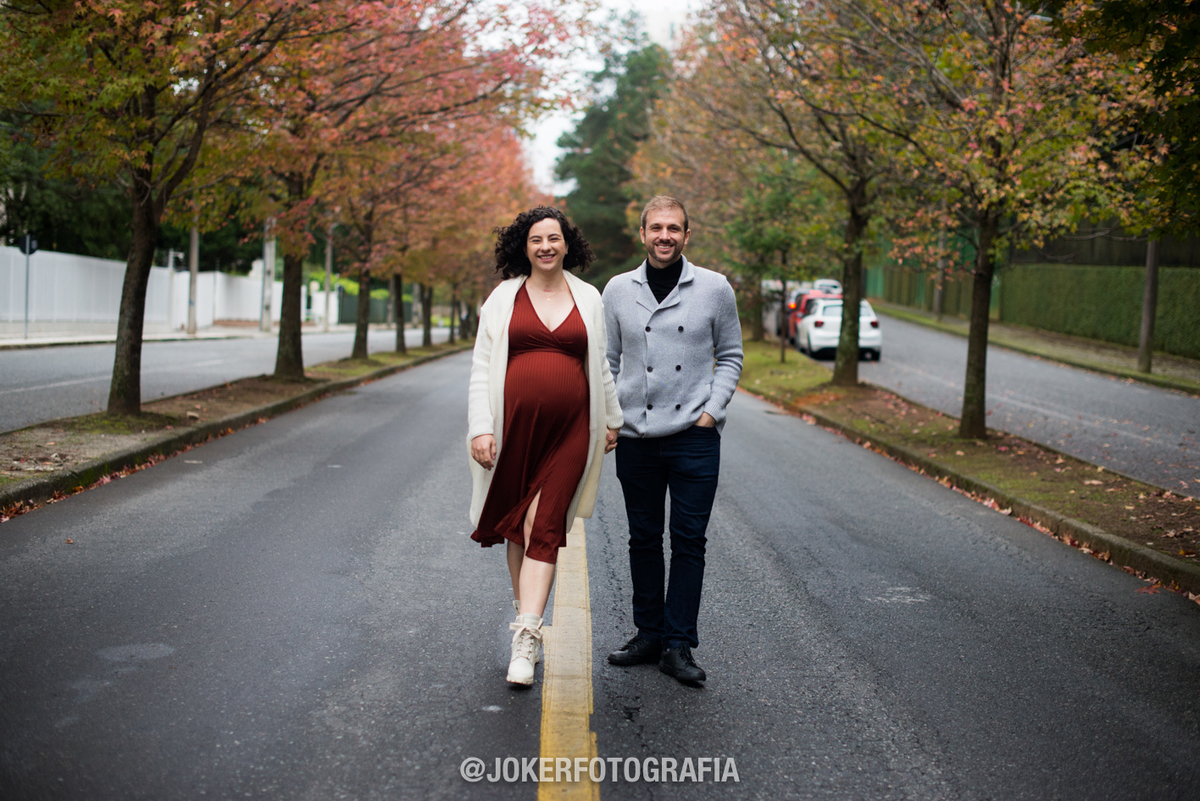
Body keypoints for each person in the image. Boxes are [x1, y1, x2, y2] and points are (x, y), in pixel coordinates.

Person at [467, 206, 623, 687]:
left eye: (554, 238)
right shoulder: (503, 298)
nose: (546, 247)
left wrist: (612, 418)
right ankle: (526, 619)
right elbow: (481, 366)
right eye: (536, 240)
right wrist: (480, 427)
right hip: (515, 426)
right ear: (524, 246)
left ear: (566, 244)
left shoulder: (588, 297)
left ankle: (527, 635)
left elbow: (598, 366)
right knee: (518, 526)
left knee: (542, 520)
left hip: (573, 428)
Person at [601, 195, 743, 684]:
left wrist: (711, 413)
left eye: (674, 228)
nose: (665, 236)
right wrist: (611, 417)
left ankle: (678, 645)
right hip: (637, 438)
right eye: (656, 227)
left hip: (693, 438)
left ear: (687, 234)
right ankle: (649, 634)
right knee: (643, 538)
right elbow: (609, 363)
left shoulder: (714, 288)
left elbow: (730, 356)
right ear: (642, 234)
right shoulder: (618, 290)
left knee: (688, 542)